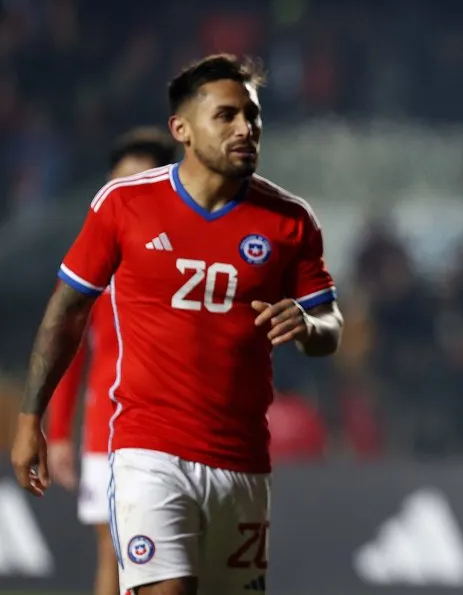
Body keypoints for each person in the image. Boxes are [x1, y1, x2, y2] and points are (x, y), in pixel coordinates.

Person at [11, 54, 343, 595]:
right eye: (227, 116)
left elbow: (330, 329)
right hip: (149, 451)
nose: (246, 129)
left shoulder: (291, 221)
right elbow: (66, 311)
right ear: (182, 129)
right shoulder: (125, 205)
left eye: (253, 117)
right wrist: (32, 419)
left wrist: (309, 325)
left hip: (243, 461)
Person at [46, 128, 181, 595]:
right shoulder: (94, 262)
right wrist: (59, 431)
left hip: (179, 431)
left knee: (169, 562)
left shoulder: (194, 258)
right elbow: (68, 347)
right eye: (117, 184)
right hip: (108, 431)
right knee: (115, 552)